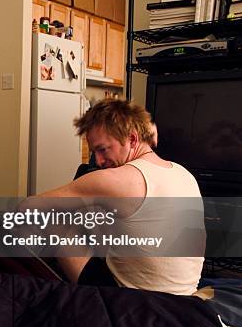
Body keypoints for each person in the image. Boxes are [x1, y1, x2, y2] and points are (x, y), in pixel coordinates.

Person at [23, 99, 204, 296]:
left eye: (103, 150)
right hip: (186, 296)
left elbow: (27, 207)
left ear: (132, 139)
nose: (99, 161)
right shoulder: (183, 173)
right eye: (94, 152)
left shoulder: (114, 180)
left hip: (132, 301)